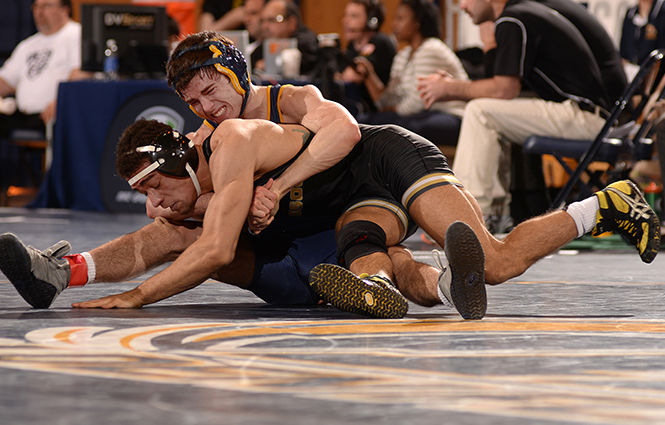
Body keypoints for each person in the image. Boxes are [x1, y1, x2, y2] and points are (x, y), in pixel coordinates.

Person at [0, 118, 489, 322]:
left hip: (334, 242)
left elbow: (335, 123)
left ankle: (445, 283)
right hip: (283, 268)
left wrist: (138, 296)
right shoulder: (198, 169)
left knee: (386, 258)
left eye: (154, 187)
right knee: (174, 229)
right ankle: (61, 273)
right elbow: (199, 242)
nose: (154, 202)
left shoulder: (247, 136)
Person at [417, 0, 626, 221]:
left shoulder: (513, 18)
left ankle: (466, 217)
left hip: (586, 118)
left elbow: (504, 89)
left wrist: (451, 88)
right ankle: (494, 214)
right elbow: (504, 90)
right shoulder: (523, 13)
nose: (462, 6)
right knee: (490, 111)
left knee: (481, 112)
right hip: (592, 117)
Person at [356, 0, 469, 148]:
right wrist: (369, 75)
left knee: (400, 128)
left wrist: (392, 110)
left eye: (401, 19)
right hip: (421, 115)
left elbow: (417, 102)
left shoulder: (431, 48)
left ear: (417, 23)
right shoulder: (403, 55)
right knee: (365, 122)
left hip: (451, 115)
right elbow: (389, 99)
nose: (394, 24)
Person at [0, 0, 80, 139]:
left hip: (55, 115)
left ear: (64, 9)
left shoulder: (76, 34)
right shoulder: (28, 44)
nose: (39, 12)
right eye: (36, 7)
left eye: (46, 6)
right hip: (23, 115)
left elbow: (80, 73)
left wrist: (61, 101)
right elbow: (6, 81)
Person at [338, 0, 396, 115]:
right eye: (346, 15)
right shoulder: (352, 45)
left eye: (353, 16)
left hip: (382, 112)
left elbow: (352, 75)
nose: (345, 21)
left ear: (372, 21)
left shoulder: (380, 42)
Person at [252, 0, 319, 77]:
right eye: (262, 21)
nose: (265, 27)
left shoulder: (308, 45)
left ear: (291, 23)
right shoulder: (263, 46)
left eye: (272, 20)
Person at [620, 0, 665, 79]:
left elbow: (661, 56)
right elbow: (623, 54)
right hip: (629, 77)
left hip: (652, 79)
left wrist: (655, 91)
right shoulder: (630, 13)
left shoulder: (661, 12)